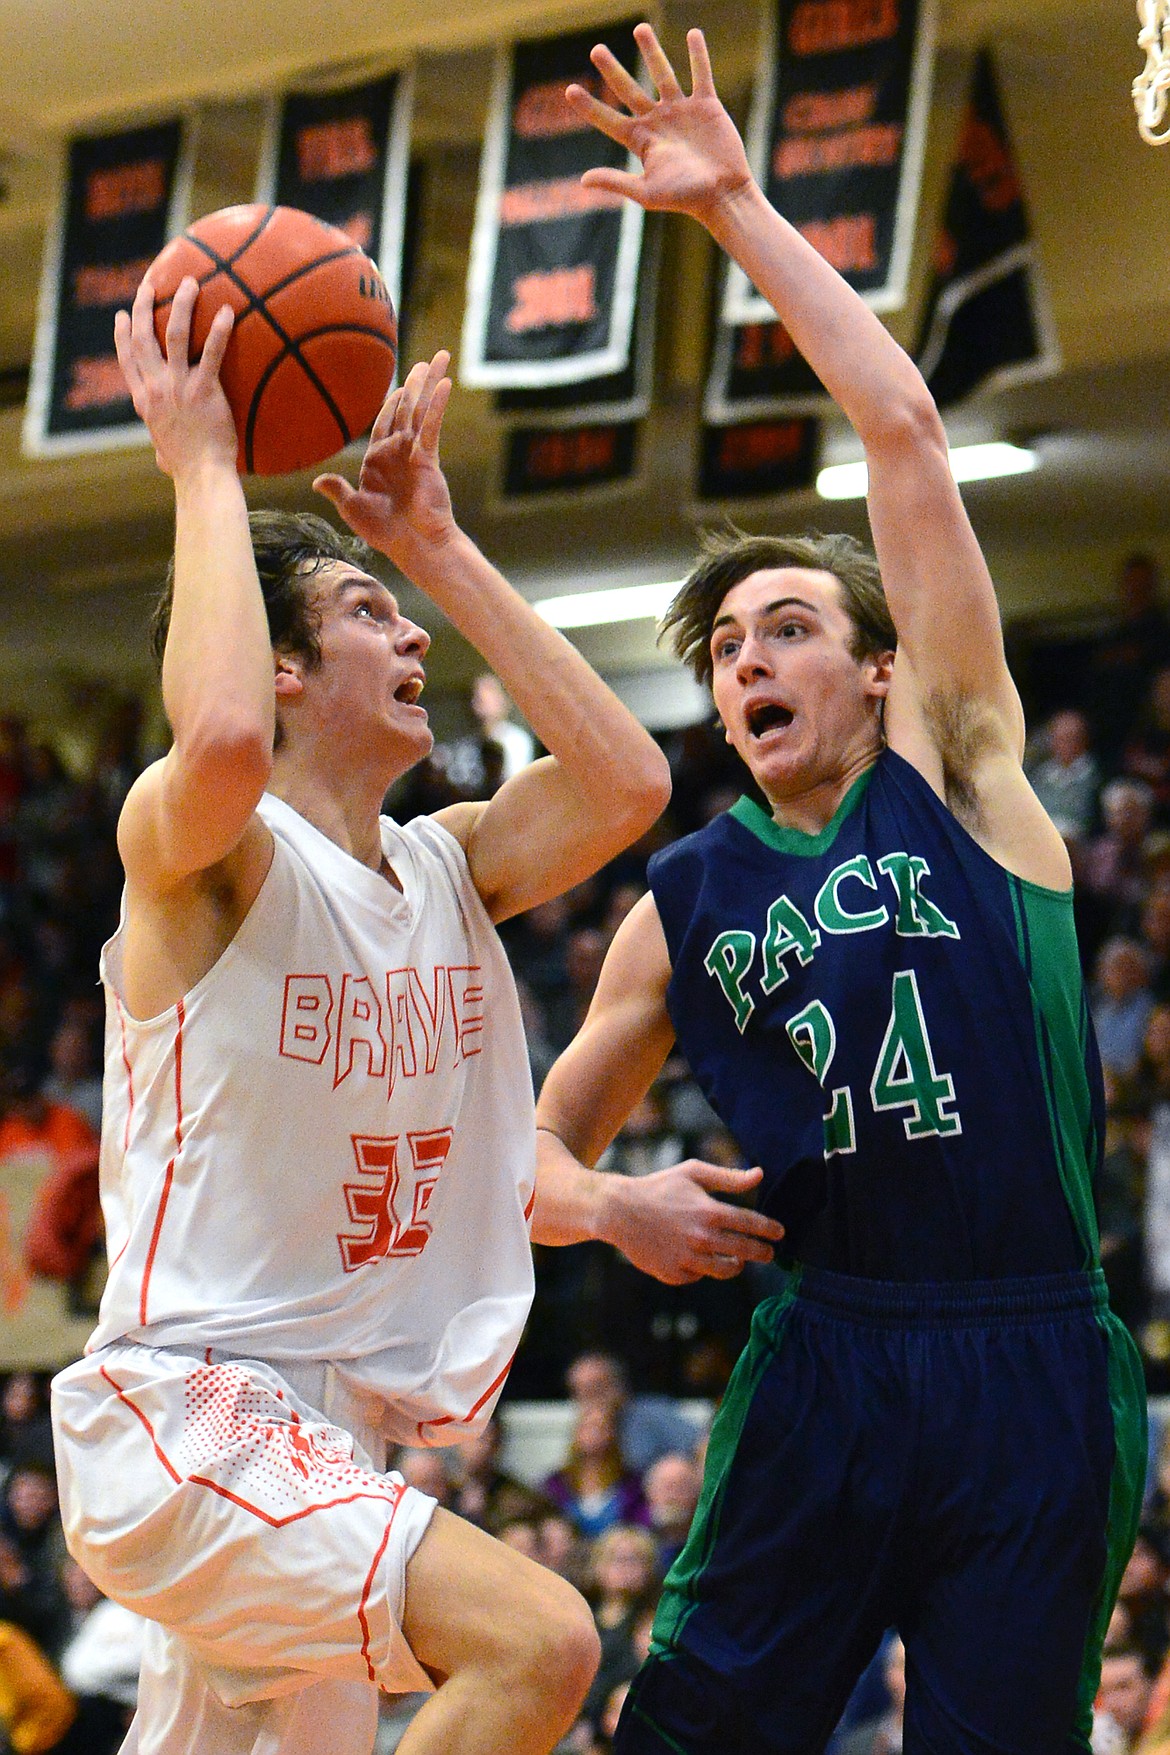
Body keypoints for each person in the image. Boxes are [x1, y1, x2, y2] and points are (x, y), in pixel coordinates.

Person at [532, 24, 1146, 1755]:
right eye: (726, 648)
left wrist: (734, 208)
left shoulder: (958, 765)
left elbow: (899, 430)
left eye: (789, 625)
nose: (749, 660)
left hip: (1032, 1354)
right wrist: (606, 1210)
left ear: (878, 671)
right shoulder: (683, 895)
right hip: (826, 1355)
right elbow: (526, 1148)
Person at [49, 271, 674, 1755]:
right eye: (366, 613)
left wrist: (436, 547)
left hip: (327, 1431)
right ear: (280, 666)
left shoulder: (444, 864)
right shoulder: (205, 854)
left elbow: (628, 786)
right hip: (192, 1409)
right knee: (542, 1643)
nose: (414, 643)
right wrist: (200, 463)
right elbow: (212, 736)